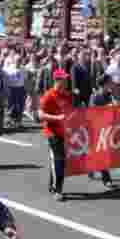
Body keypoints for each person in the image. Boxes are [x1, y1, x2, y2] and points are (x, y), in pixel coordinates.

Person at [39, 68, 73, 201]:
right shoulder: (49, 95)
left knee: (60, 161)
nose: (66, 81)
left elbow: (70, 111)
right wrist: (57, 118)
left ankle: (52, 185)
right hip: (52, 132)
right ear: (57, 80)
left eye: (66, 79)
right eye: (64, 79)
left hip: (65, 132)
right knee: (58, 160)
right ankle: (57, 190)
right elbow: (40, 115)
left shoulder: (67, 95)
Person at [87, 74, 117, 187]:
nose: (112, 84)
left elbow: (113, 106)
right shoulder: (95, 96)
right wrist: (106, 109)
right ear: (104, 84)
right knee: (102, 153)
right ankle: (106, 179)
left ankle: (90, 166)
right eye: (110, 82)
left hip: (107, 127)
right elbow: (92, 113)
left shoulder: (109, 95)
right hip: (96, 128)